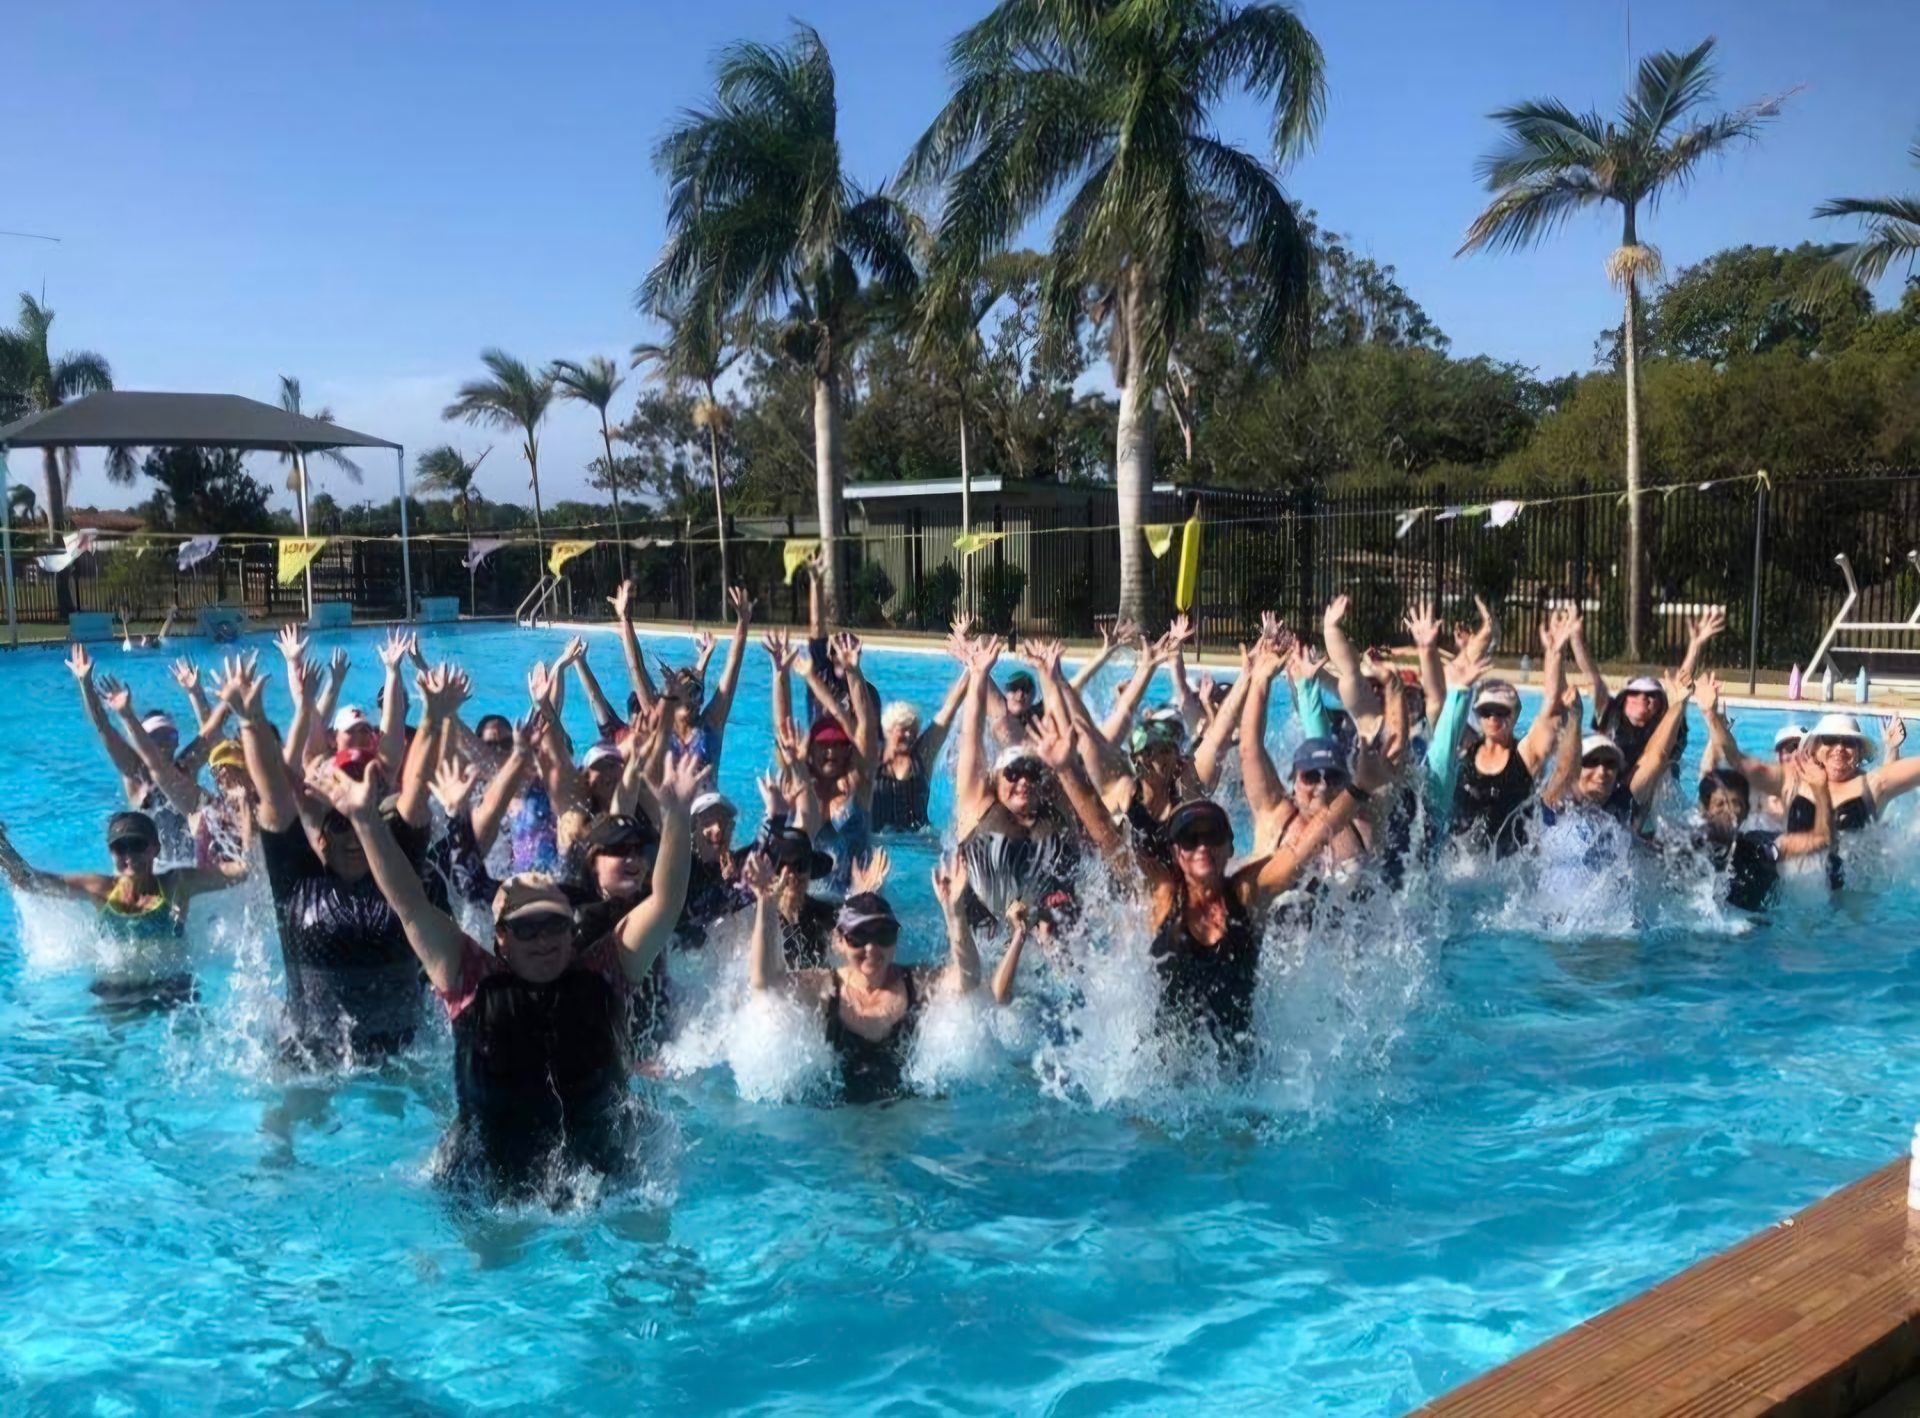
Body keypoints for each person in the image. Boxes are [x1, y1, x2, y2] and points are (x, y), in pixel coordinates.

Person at [315, 751, 696, 1202]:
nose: (543, 939)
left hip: (598, 1178)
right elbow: (410, 904)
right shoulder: (469, 978)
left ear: (571, 930)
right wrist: (365, 821)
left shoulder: (604, 969)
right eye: (526, 928)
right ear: (501, 939)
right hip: (490, 1187)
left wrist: (676, 817)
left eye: (554, 924)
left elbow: (665, 904)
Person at [223, 655, 442, 1065]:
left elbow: (416, 791)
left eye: (362, 823)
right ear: (321, 837)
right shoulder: (296, 881)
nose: (354, 835)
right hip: (311, 1059)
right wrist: (251, 721)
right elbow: (274, 795)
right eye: (341, 825)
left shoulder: (398, 870)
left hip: (403, 1056)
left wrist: (432, 716)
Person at [747, 853, 981, 1105]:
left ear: (896, 939)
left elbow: (967, 980)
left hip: (906, 1117)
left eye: (884, 935)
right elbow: (766, 982)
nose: (872, 948)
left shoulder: (915, 982)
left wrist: (955, 913)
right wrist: (765, 905)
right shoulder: (824, 988)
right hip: (836, 1121)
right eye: (858, 937)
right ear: (839, 942)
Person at [0, 808, 244, 1009]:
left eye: (137, 845)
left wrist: (249, 817)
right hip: (116, 987)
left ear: (155, 848)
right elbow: (30, 882)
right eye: (120, 847)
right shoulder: (100, 889)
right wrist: (3, 846)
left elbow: (242, 871)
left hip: (173, 983)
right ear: (111, 852)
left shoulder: (177, 884)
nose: (129, 855)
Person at [871, 669, 967, 833]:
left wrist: (973, 670)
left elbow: (948, 711)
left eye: (913, 731)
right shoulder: (871, 760)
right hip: (879, 840)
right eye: (903, 729)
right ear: (888, 730)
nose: (909, 735)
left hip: (918, 840)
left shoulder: (922, 758)